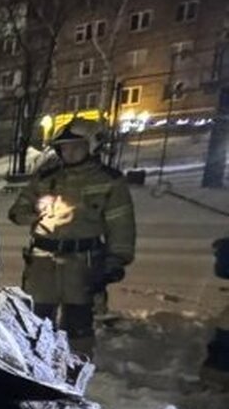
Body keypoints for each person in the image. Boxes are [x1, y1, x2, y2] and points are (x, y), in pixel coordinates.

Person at [8, 118, 136, 356]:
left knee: (78, 323)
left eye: (77, 146)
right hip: (42, 263)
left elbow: (121, 225)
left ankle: (76, 366)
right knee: (36, 318)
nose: (70, 152)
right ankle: (34, 363)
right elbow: (17, 212)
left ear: (92, 145)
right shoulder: (46, 178)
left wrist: (115, 261)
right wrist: (36, 211)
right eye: (65, 147)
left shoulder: (108, 181)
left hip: (82, 263)